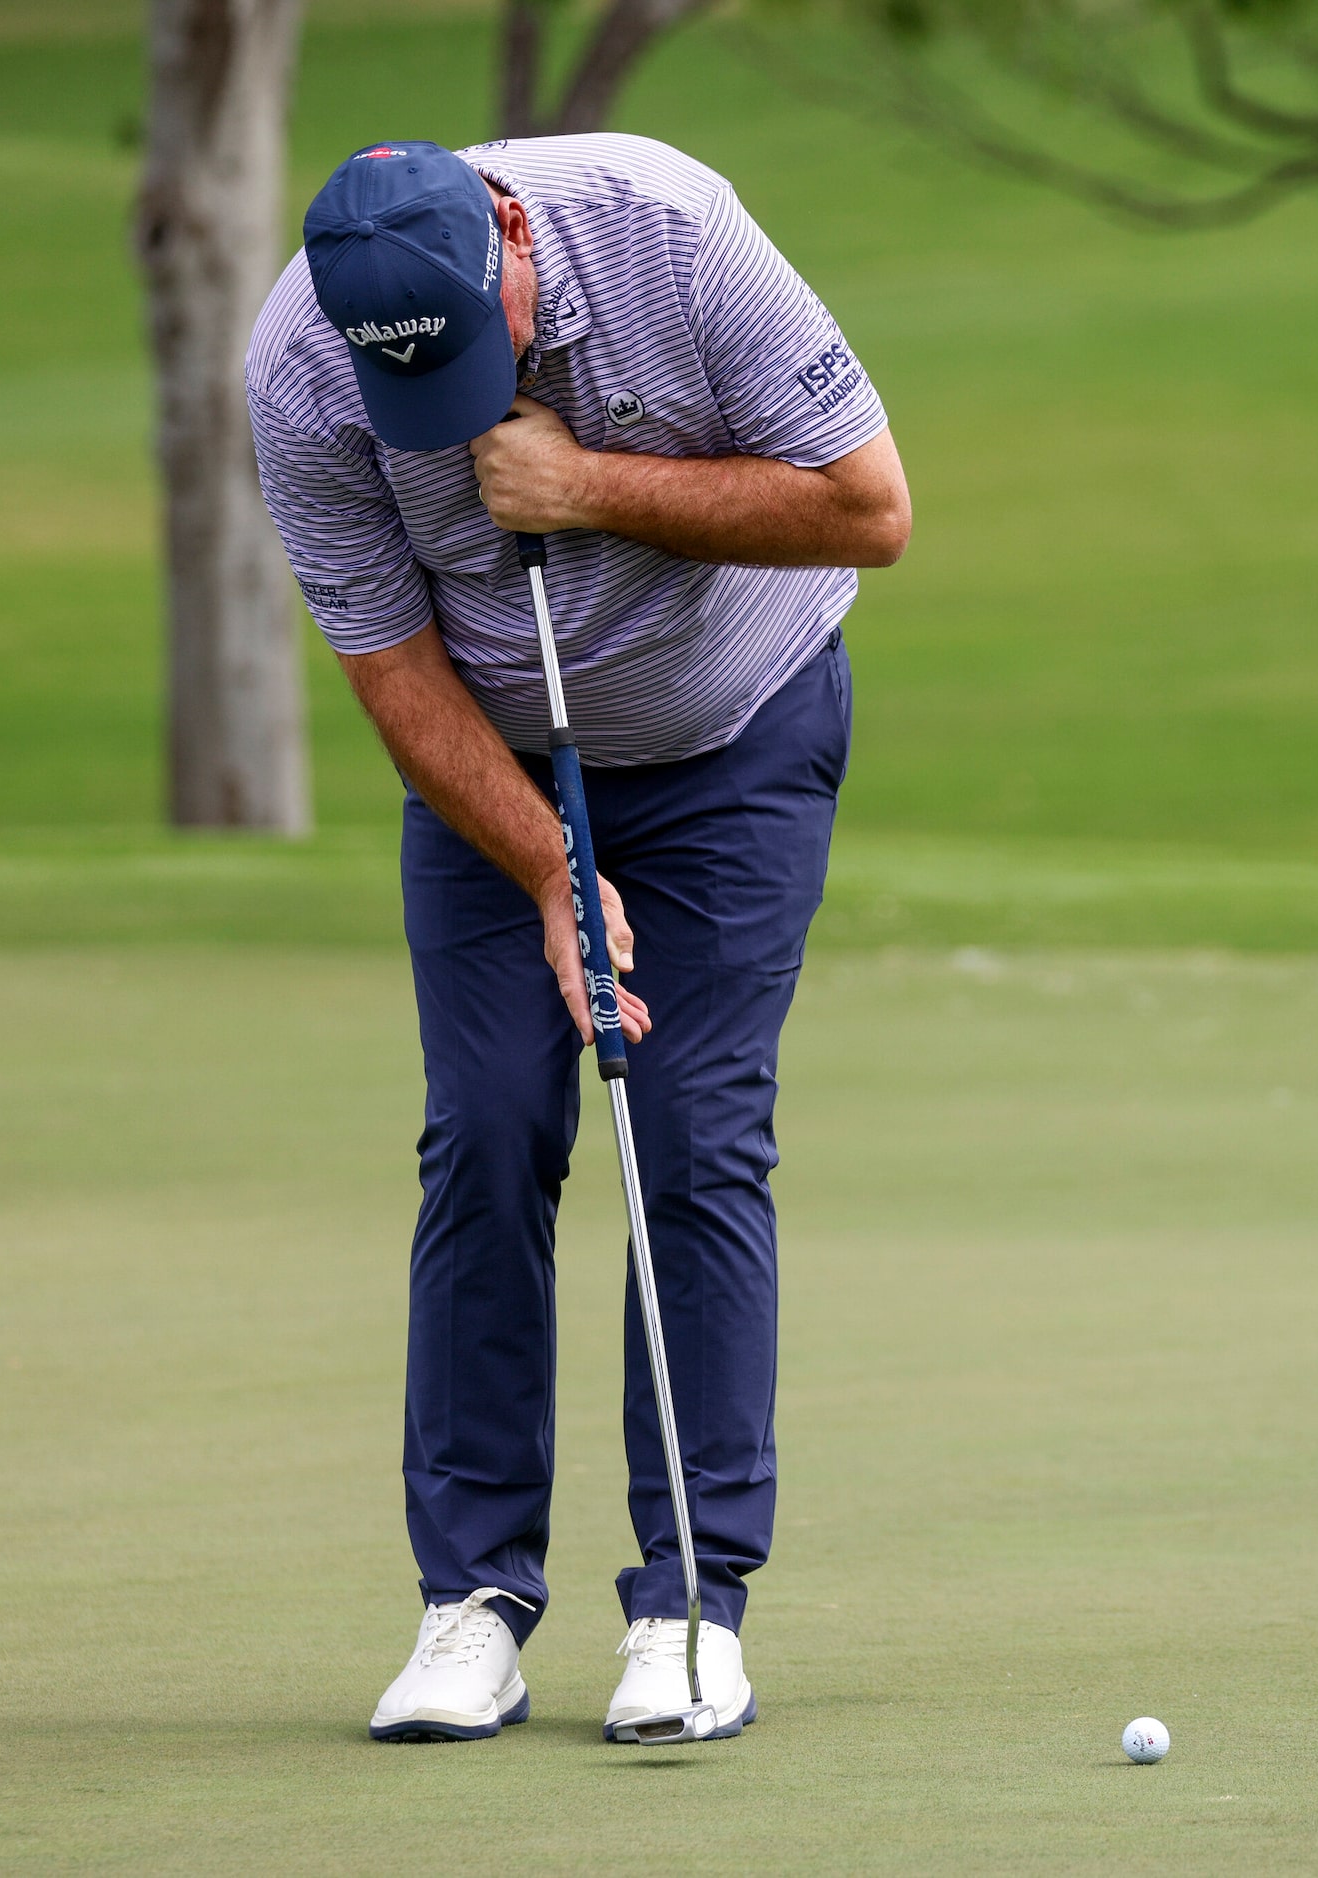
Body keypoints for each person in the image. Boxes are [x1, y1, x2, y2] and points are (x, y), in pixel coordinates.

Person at [244, 133, 909, 1744]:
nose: (453, 404)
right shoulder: (297, 366)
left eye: (472, 358)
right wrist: (546, 865)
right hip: (494, 767)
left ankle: (691, 1604)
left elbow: (869, 508)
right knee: (484, 1128)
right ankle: (468, 1601)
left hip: (734, 735)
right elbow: (389, 661)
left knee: (687, 1137)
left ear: (511, 237)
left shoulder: (673, 229)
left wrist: (590, 484)